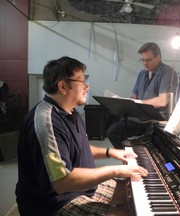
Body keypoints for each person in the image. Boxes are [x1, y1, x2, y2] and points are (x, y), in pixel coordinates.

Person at [15, 56, 148, 216]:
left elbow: (78, 148)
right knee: (127, 212)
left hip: (79, 189)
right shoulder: (46, 121)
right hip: (52, 203)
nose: (87, 86)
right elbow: (62, 182)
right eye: (82, 81)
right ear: (63, 86)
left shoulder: (71, 112)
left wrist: (110, 152)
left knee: (134, 192)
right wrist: (115, 170)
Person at [106, 42, 178, 149]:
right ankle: (130, 158)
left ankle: (140, 158)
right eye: (142, 60)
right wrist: (123, 102)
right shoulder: (142, 73)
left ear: (158, 57)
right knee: (112, 132)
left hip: (156, 120)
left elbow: (162, 101)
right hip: (139, 118)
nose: (145, 63)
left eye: (148, 60)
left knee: (149, 145)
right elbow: (134, 96)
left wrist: (139, 103)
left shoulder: (167, 72)